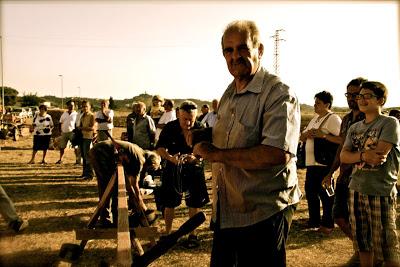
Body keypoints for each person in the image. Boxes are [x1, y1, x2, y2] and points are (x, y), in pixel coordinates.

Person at [192, 20, 301, 266]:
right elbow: (230, 138)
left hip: (264, 211)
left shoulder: (278, 93)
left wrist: (216, 153)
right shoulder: (229, 93)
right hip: (228, 211)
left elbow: (276, 154)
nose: (235, 56)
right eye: (228, 51)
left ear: (259, 50)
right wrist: (202, 138)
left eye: (242, 48)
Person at [340, 81, 400, 267]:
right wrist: (364, 155)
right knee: (363, 243)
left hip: (380, 190)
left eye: (368, 96)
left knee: (386, 245)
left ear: (381, 100)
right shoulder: (354, 128)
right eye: (360, 96)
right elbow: (343, 156)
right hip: (356, 189)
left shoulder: (389, 123)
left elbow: (379, 156)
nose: (362, 100)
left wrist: (356, 156)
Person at [320, 78, 366, 263]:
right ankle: (361, 249)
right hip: (344, 176)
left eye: (356, 94)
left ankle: (364, 253)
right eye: (349, 94)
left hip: (362, 177)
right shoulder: (347, 119)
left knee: (361, 221)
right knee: (339, 216)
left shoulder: (369, 118)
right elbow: (341, 148)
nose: (352, 98)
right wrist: (331, 172)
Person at [156, 100, 209, 248]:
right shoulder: (170, 127)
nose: (188, 123)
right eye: (185, 119)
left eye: (191, 120)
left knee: (195, 202)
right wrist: (170, 158)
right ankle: (168, 233)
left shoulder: (201, 128)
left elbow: (209, 149)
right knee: (169, 202)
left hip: (195, 169)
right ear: (179, 114)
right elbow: (160, 148)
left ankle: (192, 234)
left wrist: (197, 157)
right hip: (173, 168)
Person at [89, 140, 161, 227]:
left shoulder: (138, 152)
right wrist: (141, 204)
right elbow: (134, 185)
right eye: (150, 169)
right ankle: (106, 219)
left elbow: (129, 182)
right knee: (107, 187)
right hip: (101, 153)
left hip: (99, 151)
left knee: (111, 187)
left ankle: (113, 218)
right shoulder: (140, 160)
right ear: (150, 163)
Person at [300, 91, 341, 234]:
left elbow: (342, 140)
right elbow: (302, 136)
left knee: (326, 195)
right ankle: (314, 221)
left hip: (325, 165)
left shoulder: (333, 119)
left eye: (317, 103)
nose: (314, 105)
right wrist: (306, 135)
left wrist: (324, 135)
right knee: (311, 193)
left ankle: (328, 224)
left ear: (327, 104)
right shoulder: (315, 118)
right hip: (312, 164)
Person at [77, 100, 95, 180]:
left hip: (88, 138)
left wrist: (81, 128)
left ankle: (90, 174)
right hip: (82, 137)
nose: (84, 108)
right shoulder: (82, 115)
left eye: (86, 106)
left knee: (88, 156)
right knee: (84, 156)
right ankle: (84, 173)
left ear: (89, 107)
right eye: (83, 106)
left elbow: (92, 128)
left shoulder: (92, 116)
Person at [56, 99, 79, 164]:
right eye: (70, 105)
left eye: (73, 105)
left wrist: (76, 132)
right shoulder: (64, 114)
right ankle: (60, 159)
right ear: (67, 106)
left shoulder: (76, 114)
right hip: (64, 133)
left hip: (72, 133)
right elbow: (60, 123)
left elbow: (78, 124)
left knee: (75, 147)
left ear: (74, 106)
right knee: (62, 147)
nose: (71, 106)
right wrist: (60, 131)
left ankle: (77, 160)